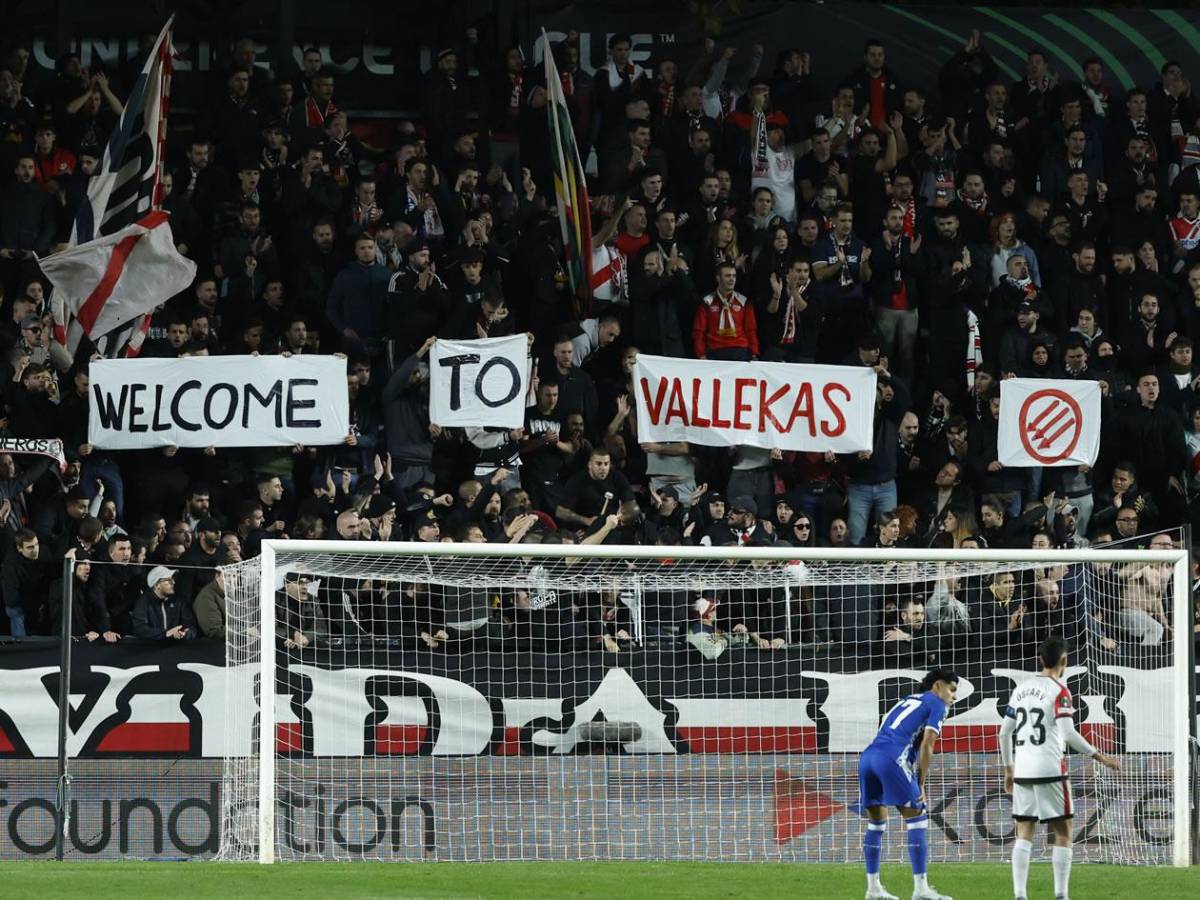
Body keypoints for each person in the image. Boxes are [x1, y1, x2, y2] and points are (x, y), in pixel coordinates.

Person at [1000, 636, 1120, 900]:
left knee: (1024, 832)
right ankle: (1061, 895)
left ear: (1040, 659)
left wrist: (1009, 768)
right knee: (1063, 832)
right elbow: (1068, 733)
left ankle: (1020, 895)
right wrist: (1100, 756)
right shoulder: (1060, 691)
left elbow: (1003, 733)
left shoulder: (1021, 689)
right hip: (1050, 768)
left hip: (1022, 769)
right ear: (1064, 660)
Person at [858, 668, 958, 900]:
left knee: (876, 824)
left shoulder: (907, 700)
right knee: (917, 818)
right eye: (951, 690)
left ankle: (873, 889)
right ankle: (921, 889)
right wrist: (920, 782)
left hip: (868, 757)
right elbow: (928, 743)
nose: (953, 696)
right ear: (937, 686)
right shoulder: (937, 704)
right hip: (892, 758)